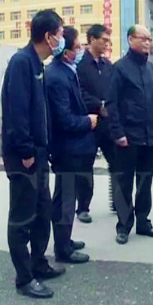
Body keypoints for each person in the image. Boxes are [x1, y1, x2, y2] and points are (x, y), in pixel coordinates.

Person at [0, 9, 66, 299]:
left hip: (38, 153)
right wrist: (26, 150)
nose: (62, 39)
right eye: (60, 34)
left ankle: (39, 263)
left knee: (42, 212)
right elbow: (17, 111)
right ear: (48, 36)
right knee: (22, 217)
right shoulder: (22, 62)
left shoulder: (38, 64)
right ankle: (24, 278)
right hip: (24, 156)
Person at [105, 25, 153, 245]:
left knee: (145, 181)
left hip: (148, 135)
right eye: (143, 38)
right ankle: (123, 225)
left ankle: (143, 222)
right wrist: (118, 133)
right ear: (131, 39)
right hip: (127, 136)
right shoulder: (119, 68)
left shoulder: (149, 68)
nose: (148, 42)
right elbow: (111, 103)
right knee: (124, 183)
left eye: (150, 39)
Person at [45, 26, 98, 264]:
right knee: (65, 200)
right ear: (65, 52)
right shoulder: (57, 77)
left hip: (74, 149)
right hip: (67, 149)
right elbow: (64, 119)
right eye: (77, 47)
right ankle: (62, 249)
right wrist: (88, 121)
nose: (80, 51)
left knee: (67, 197)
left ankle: (64, 239)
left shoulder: (67, 71)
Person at [76, 24, 116, 222]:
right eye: (103, 40)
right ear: (92, 39)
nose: (107, 44)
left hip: (108, 123)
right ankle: (83, 207)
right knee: (85, 166)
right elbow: (77, 92)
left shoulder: (108, 66)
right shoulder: (80, 65)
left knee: (117, 162)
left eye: (108, 40)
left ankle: (117, 202)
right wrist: (97, 105)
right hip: (88, 123)